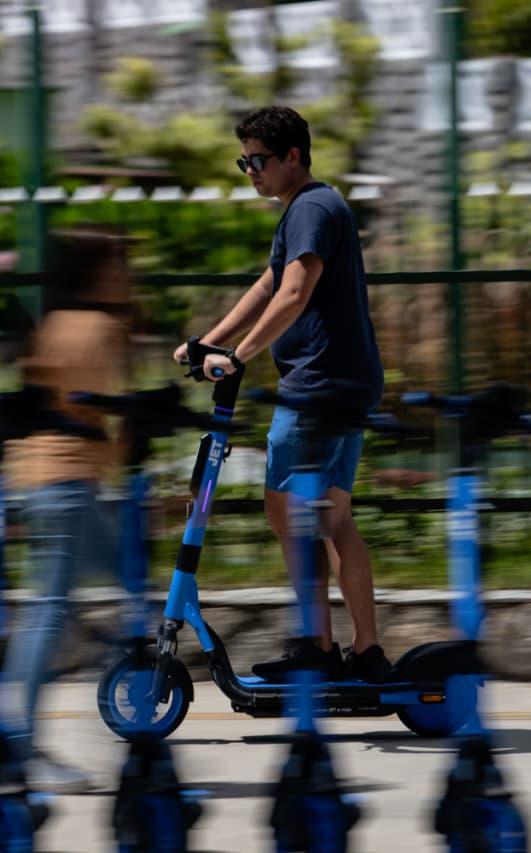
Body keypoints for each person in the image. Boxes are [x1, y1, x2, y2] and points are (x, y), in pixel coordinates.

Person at [172, 105, 389, 683]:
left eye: (260, 160)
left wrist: (236, 358)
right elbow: (269, 282)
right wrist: (207, 342)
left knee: (287, 510)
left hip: (318, 386)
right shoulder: (307, 209)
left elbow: (293, 293)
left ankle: (319, 647)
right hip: (344, 380)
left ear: (294, 155)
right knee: (332, 517)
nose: (251, 171)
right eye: (244, 161)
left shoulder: (313, 207)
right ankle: (365, 652)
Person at [2, 228, 132, 792]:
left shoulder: (54, 322)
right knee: (50, 610)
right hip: (68, 483)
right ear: (98, 273)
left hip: (38, 479)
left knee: (127, 583)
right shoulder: (99, 329)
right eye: (120, 265)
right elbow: (103, 414)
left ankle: (113, 670)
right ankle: (20, 748)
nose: (128, 275)